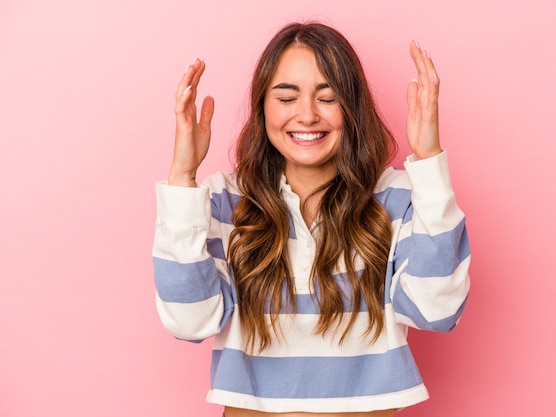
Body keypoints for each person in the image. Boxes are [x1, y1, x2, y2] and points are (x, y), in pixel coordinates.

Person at [152, 22, 470, 417]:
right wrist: (183, 179)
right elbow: (189, 322)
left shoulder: (397, 197)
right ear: (262, 106)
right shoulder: (223, 200)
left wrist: (429, 164)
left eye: (328, 97)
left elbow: (436, 312)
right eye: (286, 97)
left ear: (351, 107)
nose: (306, 115)